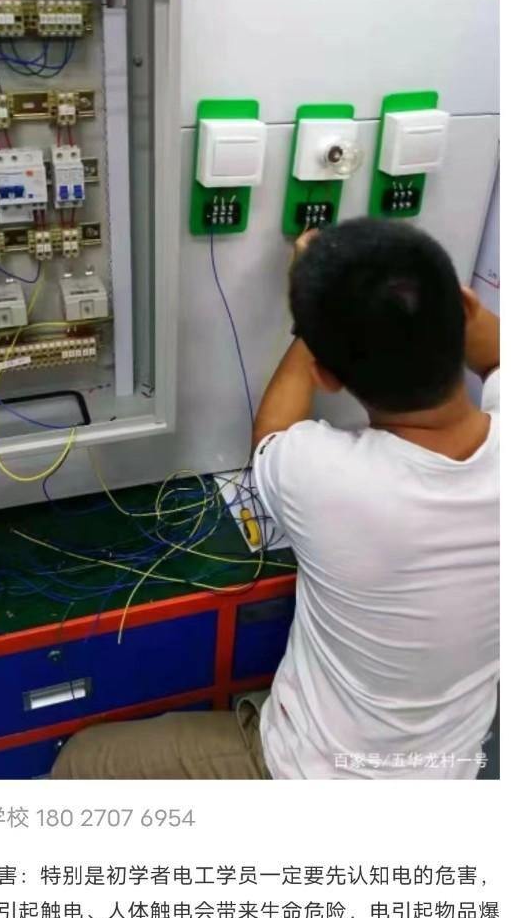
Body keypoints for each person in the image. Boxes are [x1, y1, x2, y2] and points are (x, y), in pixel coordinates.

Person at [51, 219, 499, 780]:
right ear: (466, 305)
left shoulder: (326, 478)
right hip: (450, 771)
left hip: (315, 776)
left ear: (325, 374)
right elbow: (496, 353)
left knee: (80, 763)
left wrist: (317, 307)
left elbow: (270, 433)